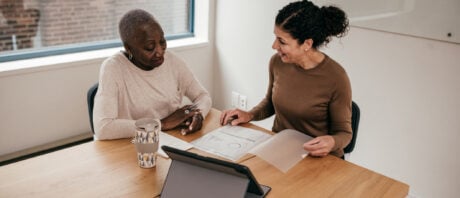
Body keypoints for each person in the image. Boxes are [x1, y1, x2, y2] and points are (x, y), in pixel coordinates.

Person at [220, 0, 352, 158]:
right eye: (276, 37)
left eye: (282, 41)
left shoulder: (336, 78)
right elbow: (270, 103)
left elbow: (344, 133)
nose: (274, 45)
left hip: (318, 158)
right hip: (281, 150)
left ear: (307, 44)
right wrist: (250, 115)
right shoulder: (278, 62)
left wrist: (332, 142)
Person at [93, 9, 212, 140]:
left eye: (162, 42)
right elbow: (103, 128)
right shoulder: (113, 68)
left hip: (169, 140)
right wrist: (162, 124)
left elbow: (202, 96)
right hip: (130, 145)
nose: (160, 52)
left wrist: (198, 114)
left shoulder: (173, 61)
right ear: (129, 48)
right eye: (150, 47)